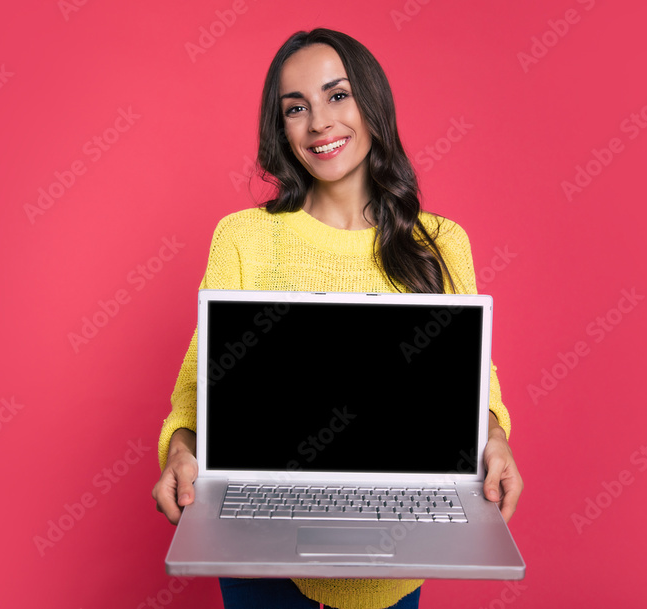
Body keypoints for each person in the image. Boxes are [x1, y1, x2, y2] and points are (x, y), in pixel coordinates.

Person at [152, 27, 523, 609]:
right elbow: (196, 391)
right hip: (261, 536)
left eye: (337, 95)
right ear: (281, 128)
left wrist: (495, 441)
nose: (319, 123)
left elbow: (479, 394)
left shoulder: (440, 244)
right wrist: (180, 449)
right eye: (295, 108)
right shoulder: (244, 237)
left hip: (394, 535)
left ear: (372, 103)